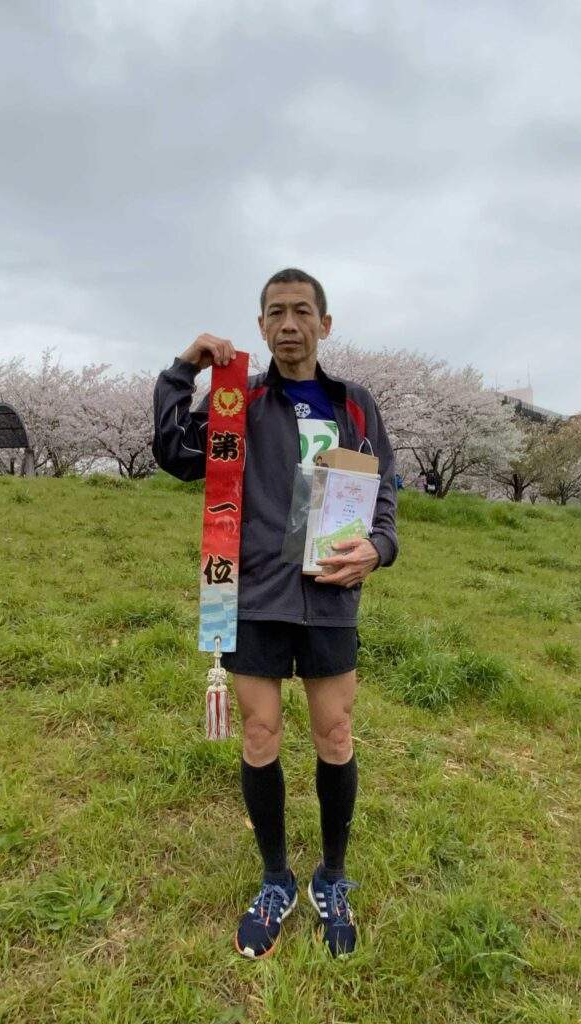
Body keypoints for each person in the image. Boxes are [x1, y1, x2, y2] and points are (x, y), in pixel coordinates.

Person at [152, 268, 398, 960]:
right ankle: (275, 878)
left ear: (325, 323)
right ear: (261, 327)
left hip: (330, 594)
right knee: (260, 735)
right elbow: (175, 453)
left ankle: (332, 877)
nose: (290, 324)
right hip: (254, 595)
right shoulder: (239, 401)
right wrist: (182, 371)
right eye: (276, 313)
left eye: (302, 311)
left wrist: (379, 548)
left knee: (335, 732)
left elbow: (384, 491)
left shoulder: (355, 406)